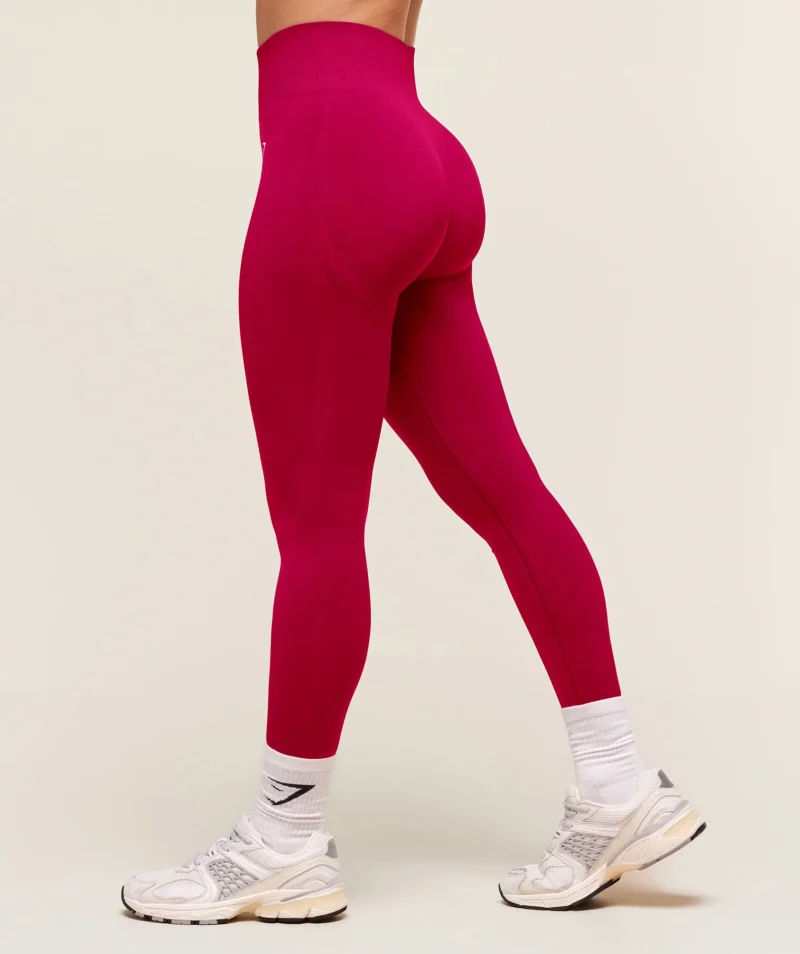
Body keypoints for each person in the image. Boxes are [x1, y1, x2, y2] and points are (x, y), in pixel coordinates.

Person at [121, 0, 705, 924]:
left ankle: (283, 838)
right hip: (418, 146)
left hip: (332, 154)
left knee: (317, 531)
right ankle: (616, 781)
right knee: (509, 495)